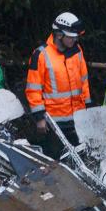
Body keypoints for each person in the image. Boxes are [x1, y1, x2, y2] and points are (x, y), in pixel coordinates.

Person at [26, 12, 90, 154]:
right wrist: (39, 118)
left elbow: (83, 80)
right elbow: (33, 89)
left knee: (81, 157)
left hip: (78, 118)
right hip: (54, 122)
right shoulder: (41, 55)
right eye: (72, 37)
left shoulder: (77, 51)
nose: (75, 40)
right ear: (59, 34)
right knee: (56, 160)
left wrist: (88, 107)